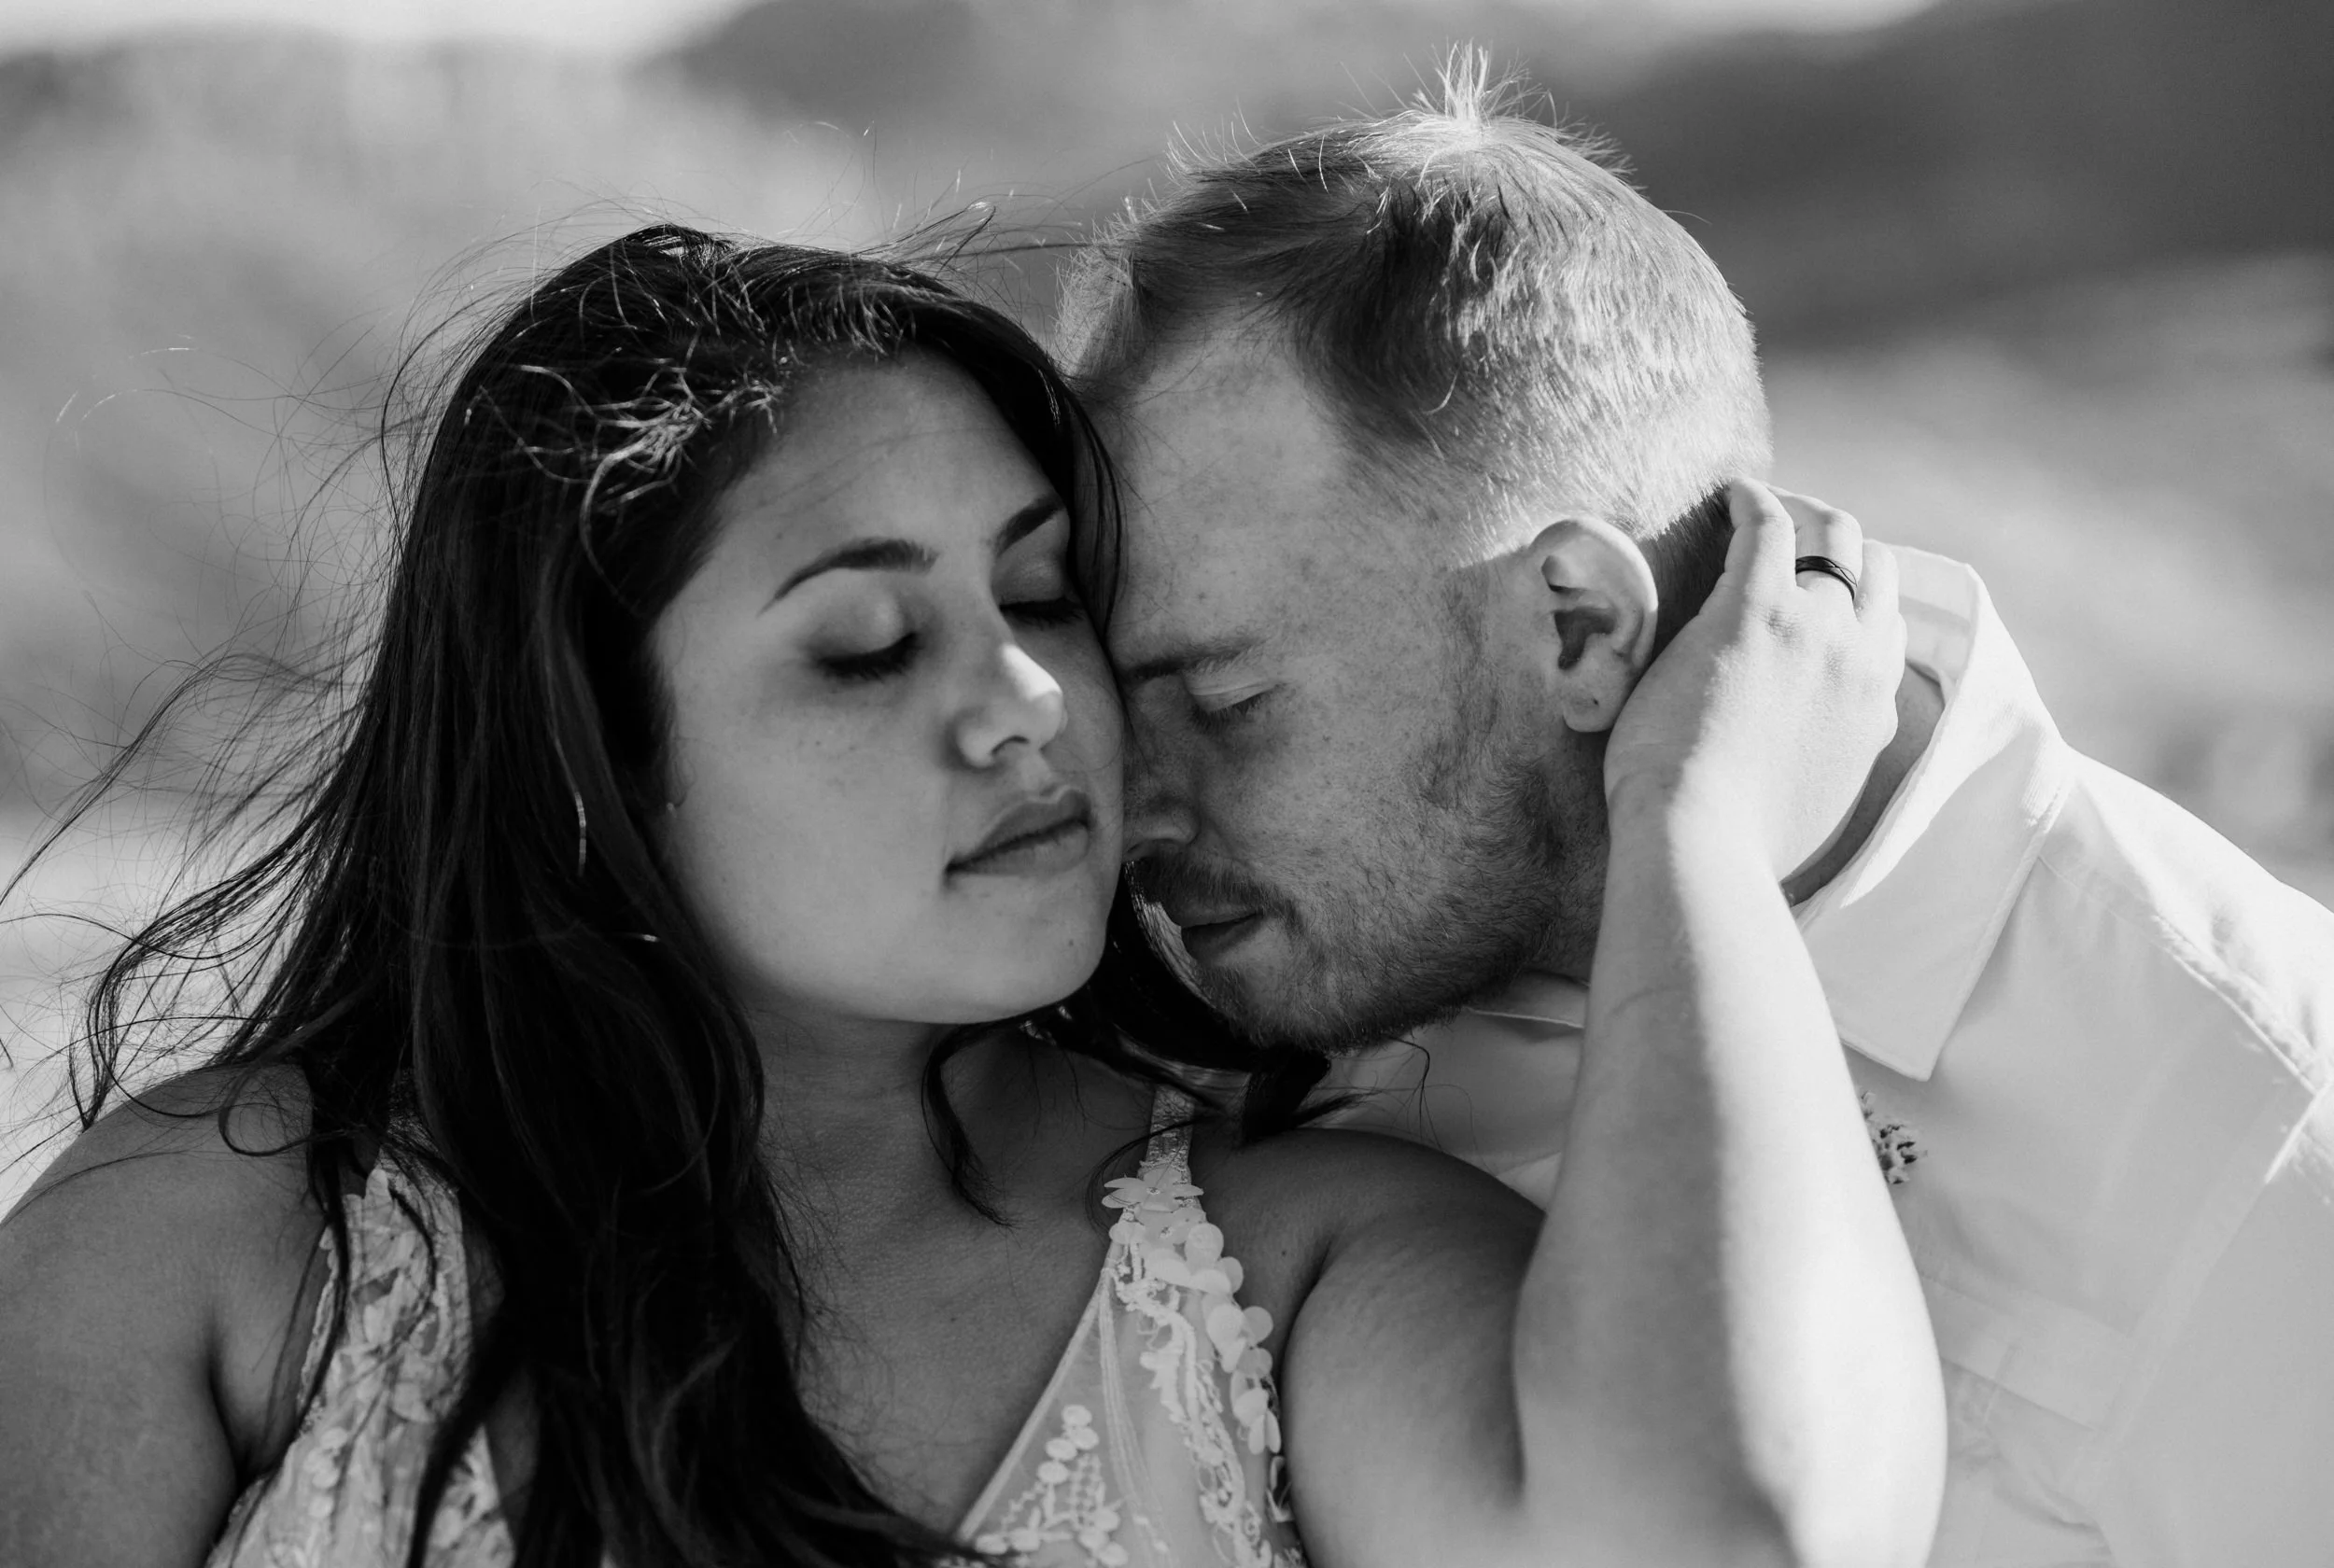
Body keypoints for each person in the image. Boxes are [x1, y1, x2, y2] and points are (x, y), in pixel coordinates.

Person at [0, 225, 1940, 1568]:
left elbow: (1725, 1535)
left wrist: (1692, 831)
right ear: (597, 761)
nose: (1027, 707)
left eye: (1035, 600)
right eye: (863, 645)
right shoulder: (228, 1238)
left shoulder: (1303, 1266)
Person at [1064, 60, 2334, 1568]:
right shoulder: (1190, 990)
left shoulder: (2259, 1132)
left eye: (1221, 701)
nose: (1131, 805)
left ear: (1581, 627)